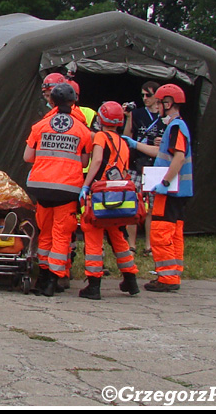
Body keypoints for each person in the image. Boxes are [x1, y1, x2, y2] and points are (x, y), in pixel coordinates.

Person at [24, 83, 92, 297]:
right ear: (74, 103)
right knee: (61, 235)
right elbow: (83, 161)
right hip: (67, 188)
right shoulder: (83, 130)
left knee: (45, 231)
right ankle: (53, 280)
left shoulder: (40, 126)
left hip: (41, 187)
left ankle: (42, 276)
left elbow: (27, 157)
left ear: (51, 102)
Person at [123, 83, 193, 292]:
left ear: (168, 103)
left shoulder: (175, 127)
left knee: (161, 232)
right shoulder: (177, 126)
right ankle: (173, 273)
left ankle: (167, 278)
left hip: (170, 190)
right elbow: (161, 153)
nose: (158, 107)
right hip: (178, 191)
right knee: (174, 232)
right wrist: (135, 144)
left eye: (161, 102)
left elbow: (178, 157)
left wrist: (164, 182)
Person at [77, 101, 139, 300]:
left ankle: (94, 285)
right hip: (118, 195)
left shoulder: (101, 137)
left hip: (100, 194)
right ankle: (131, 280)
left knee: (93, 235)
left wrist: (86, 185)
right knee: (118, 237)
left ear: (101, 119)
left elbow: (96, 161)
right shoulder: (123, 141)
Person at [122, 80, 165, 255]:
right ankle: (131, 244)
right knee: (132, 205)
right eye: (143, 95)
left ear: (157, 97)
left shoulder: (165, 117)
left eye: (148, 95)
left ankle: (149, 244)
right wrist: (128, 118)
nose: (145, 98)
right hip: (135, 164)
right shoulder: (137, 113)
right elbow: (126, 138)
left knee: (152, 208)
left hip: (156, 166)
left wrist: (163, 143)